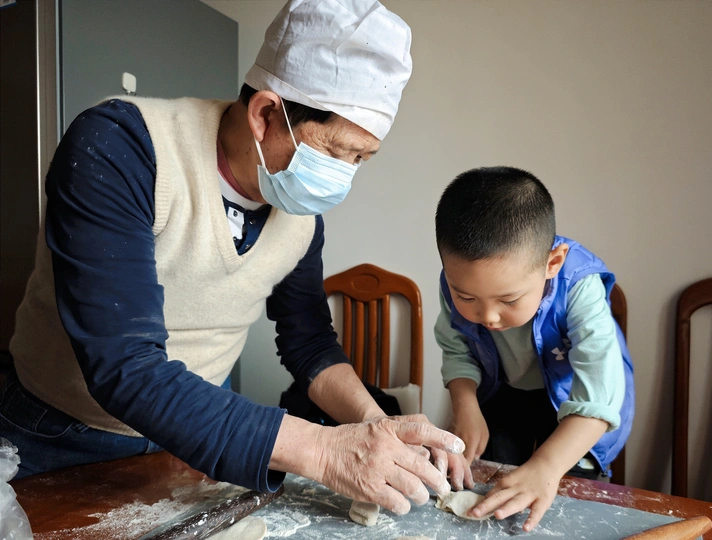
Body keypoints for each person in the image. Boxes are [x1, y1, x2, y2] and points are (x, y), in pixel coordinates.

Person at [0, 0, 463, 514]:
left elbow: (309, 343)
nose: (344, 176)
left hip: (198, 441)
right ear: (265, 114)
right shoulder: (120, 147)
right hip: (60, 435)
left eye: (360, 159)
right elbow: (125, 365)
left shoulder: (300, 213)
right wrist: (322, 450)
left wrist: (376, 425)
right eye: (335, 152)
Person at [434, 167, 634, 531]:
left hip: (576, 411)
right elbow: (456, 348)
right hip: (505, 394)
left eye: (509, 299)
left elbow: (599, 393)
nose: (488, 317)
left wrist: (547, 466)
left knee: (562, 505)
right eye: (467, 298)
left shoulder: (579, 286)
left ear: (552, 264)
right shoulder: (455, 282)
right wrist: (465, 404)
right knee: (494, 486)